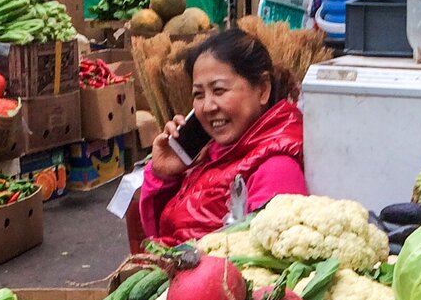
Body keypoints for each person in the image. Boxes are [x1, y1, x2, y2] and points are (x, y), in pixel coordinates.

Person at [126, 29, 307, 248]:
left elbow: (262, 268)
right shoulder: (214, 154)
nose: (208, 106)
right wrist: (164, 176)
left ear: (262, 90)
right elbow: (162, 233)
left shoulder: (276, 170)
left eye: (219, 90)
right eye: (198, 94)